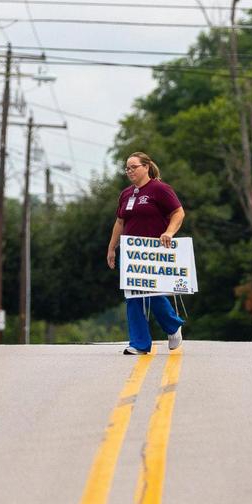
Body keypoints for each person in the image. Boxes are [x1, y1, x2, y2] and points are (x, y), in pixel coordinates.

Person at [105, 152, 185, 355]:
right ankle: (139, 344)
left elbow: (178, 212)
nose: (129, 171)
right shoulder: (126, 194)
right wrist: (112, 247)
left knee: (153, 294)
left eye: (134, 167)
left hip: (153, 252)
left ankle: (173, 325)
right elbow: (120, 222)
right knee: (133, 296)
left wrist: (169, 232)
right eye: (127, 168)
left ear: (146, 167)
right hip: (130, 253)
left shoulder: (160, 189)